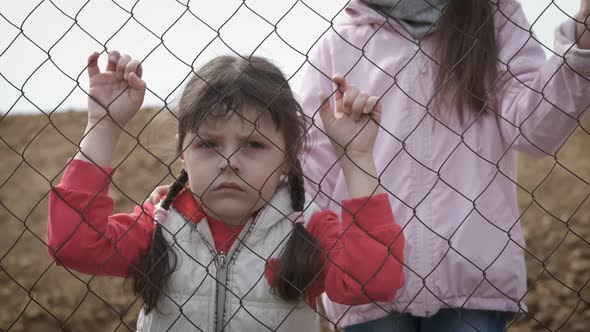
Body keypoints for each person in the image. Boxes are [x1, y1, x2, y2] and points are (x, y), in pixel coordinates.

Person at [46, 51, 406, 331]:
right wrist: (104, 124)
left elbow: (374, 280)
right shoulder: (161, 225)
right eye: (208, 144)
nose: (229, 161)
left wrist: (357, 159)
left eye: (253, 145)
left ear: (288, 158)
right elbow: (74, 244)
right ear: (183, 155)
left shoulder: (306, 229)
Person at [295, 0, 590, 331]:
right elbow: (312, 175)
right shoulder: (338, 45)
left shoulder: (494, 21)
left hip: (472, 279)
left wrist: (581, 45)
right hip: (365, 282)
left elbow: (536, 130)